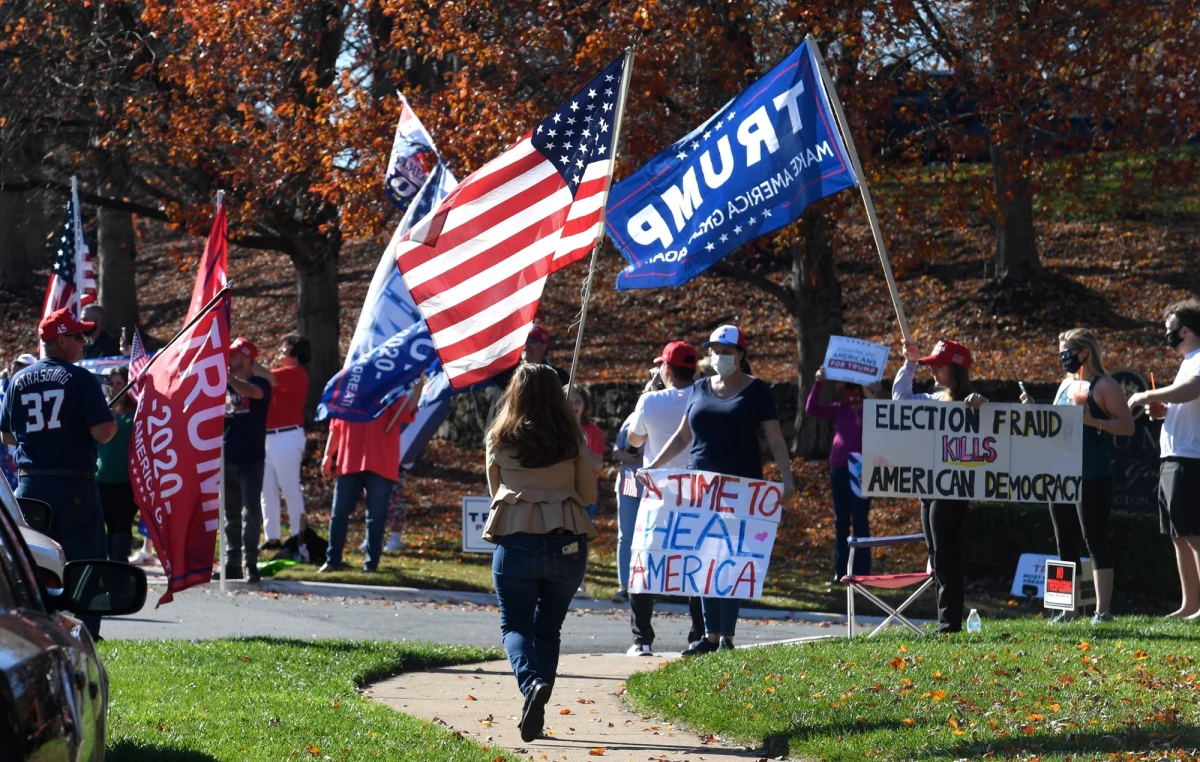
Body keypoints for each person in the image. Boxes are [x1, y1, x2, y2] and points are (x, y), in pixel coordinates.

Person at [640, 326, 795, 656]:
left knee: (732, 558)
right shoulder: (698, 388)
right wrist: (654, 467)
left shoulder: (757, 391)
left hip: (742, 488)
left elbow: (775, 439)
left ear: (740, 355)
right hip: (701, 487)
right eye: (714, 349)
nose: (719, 355)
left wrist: (787, 477)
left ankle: (727, 635)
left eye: (727, 350)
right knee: (705, 557)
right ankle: (710, 636)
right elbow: (683, 437)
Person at [482, 364, 597, 742]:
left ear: (514, 395)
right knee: (548, 629)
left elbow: (494, 489)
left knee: (515, 625)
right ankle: (537, 706)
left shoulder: (499, 437)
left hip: (517, 538)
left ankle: (530, 684)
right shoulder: (573, 439)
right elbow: (589, 495)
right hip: (567, 540)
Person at [0, 307, 116, 638]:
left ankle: (35, 631)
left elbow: (6, 434)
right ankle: (87, 635)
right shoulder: (81, 379)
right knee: (85, 566)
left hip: (30, 488)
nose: (84, 342)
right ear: (62, 340)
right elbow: (104, 432)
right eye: (79, 336)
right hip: (75, 488)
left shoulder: (19, 380)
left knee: (34, 564)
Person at [1024, 329, 1133, 623]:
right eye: (1061, 353)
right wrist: (1034, 413)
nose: (1063, 359)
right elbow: (1055, 427)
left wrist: (1094, 421)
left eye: (1067, 352)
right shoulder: (1064, 384)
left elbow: (1127, 426)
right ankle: (1065, 609)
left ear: (1084, 352)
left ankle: (1103, 611)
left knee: (1094, 540)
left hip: (1093, 473)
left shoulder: (1104, 385)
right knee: (1064, 541)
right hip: (1059, 474)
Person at [893, 339, 987, 633]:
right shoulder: (933, 401)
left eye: (938, 366)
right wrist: (909, 363)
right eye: (930, 366)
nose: (932, 372)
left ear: (956, 370)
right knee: (935, 555)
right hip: (928, 489)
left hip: (953, 489)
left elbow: (990, 421)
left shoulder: (971, 402)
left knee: (945, 554)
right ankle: (944, 622)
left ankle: (949, 626)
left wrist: (979, 405)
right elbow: (900, 399)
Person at [621, 342, 705, 657]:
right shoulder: (704, 396)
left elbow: (633, 440)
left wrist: (648, 396)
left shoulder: (650, 400)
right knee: (696, 565)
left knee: (644, 562)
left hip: (657, 493)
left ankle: (642, 639)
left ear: (665, 369)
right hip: (696, 493)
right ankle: (698, 635)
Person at [1128, 299, 1200, 618]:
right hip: (1173, 455)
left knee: (1195, 534)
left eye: (1169, 329)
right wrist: (1165, 412)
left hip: (1191, 457)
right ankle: (1190, 605)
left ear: (1185, 329)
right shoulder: (1188, 360)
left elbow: (1191, 390)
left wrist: (1148, 395)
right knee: (1178, 534)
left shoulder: (1198, 360)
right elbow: (1185, 400)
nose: (1166, 334)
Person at [319, 383, 421, 573]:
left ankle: (371, 565)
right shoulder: (347, 397)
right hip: (350, 463)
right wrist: (328, 455)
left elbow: (409, 410)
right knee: (339, 512)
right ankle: (332, 560)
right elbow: (336, 427)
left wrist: (419, 387)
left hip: (381, 464)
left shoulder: (390, 394)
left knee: (376, 516)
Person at [805, 366, 879, 579]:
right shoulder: (840, 409)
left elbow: (885, 414)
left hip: (863, 470)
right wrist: (819, 382)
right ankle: (841, 571)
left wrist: (873, 392)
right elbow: (812, 408)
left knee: (860, 520)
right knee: (841, 521)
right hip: (839, 468)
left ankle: (863, 571)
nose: (852, 393)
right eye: (848, 388)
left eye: (856, 388)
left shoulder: (871, 410)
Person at [223, 337, 272, 583]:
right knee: (230, 514)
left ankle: (250, 563)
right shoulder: (221, 385)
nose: (229, 360)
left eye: (233, 356)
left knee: (250, 511)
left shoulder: (261, 384)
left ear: (245, 358)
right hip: (227, 456)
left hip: (252, 459)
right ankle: (231, 564)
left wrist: (226, 377)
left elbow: (248, 391)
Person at [260, 334, 311, 550]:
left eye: (285, 348)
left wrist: (247, 361)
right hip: (267, 437)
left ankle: (298, 537)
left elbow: (268, 377)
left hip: (287, 437)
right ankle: (272, 538)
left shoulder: (297, 373)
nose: (281, 351)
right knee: (266, 490)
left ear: (295, 353)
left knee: (289, 489)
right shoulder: (281, 374)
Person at [565, 384, 604, 598]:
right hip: (560, 493)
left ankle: (579, 582)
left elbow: (598, 465)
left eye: (578, 401)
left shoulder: (592, 431)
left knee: (580, 541)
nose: (574, 406)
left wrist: (581, 443)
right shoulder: (556, 429)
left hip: (586, 495)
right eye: (570, 401)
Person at [97, 366, 139, 562]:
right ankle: (109, 567)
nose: (115, 388)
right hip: (102, 478)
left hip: (127, 479)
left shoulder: (137, 413)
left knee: (122, 524)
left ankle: (119, 565)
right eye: (112, 384)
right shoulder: (101, 411)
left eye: (119, 384)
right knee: (108, 525)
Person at [0, 354, 37, 489]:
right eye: (17, 365)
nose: (18, 369)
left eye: (23, 367)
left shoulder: (36, 392)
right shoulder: (4, 388)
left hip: (23, 452)